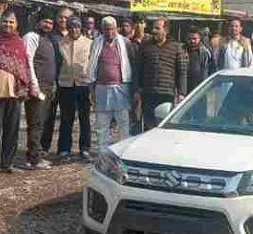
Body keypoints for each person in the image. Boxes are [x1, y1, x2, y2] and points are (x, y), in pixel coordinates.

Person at [0, 9, 36, 177]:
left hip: (14, 94)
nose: (7, 24)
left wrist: (26, 87)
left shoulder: (18, 42)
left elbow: (23, 67)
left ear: (16, 24)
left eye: (11, 22)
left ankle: (7, 163)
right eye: (5, 21)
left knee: (12, 130)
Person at [135, 16, 188, 130]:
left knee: (164, 125)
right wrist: (137, 89)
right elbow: (138, 69)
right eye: (153, 28)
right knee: (149, 126)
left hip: (166, 94)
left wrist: (181, 93)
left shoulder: (176, 47)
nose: (154, 31)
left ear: (166, 30)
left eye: (157, 28)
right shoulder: (145, 46)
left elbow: (182, 71)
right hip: (148, 93)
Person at [88, 16, 133, 149]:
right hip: (101, 88)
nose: (109, 32)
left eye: (112, 29)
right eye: (106, 29)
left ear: (116, 29)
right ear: (102, 30)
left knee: (123, 123)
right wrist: (91, 90)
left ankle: (123, 151)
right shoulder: (96, 43)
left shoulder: (125, 42)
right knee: (102, 124)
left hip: (120, 88)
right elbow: (92, 67)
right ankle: (103, 153)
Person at [23, 12, 57, 170]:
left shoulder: (48, 40)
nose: (48, 25)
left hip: (48, 87)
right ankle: (33, 159)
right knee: (35, 123)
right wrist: (33, 84)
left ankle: (35, 156)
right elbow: (28, 60)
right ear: (38, 23)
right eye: (45, 21)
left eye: (50, 22)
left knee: (41, 122)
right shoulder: (31, 37)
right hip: (37, 87)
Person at [57, 16, 94, 159]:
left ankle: (85, 148)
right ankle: (64, 148)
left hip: (83, 84)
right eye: (71, 26)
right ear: (68, 27)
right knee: (66, 118)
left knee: (84, 118)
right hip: (66, 84)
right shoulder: (60, 43)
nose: (74, 29)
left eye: (77, 26)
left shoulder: (89, 43)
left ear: (81, 27)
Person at [40, 7, 71, 155]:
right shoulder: (50, 36)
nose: (63, 20)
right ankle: (43, 147)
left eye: (66, 18)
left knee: (66, 116)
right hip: (51, 81)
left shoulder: (75, 35)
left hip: (69, 82)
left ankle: (63, 149)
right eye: (61, 17)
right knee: (48, 116)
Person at [185, 27, 215, 93]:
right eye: (190, 39)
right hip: (185, 87)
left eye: (195, 39)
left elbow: (212, 69)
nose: (192, 41)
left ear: (200, 39)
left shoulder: (206, 52)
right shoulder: (182, 51)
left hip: (201, 87)